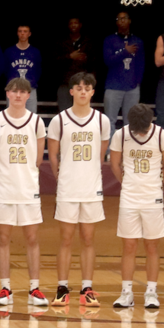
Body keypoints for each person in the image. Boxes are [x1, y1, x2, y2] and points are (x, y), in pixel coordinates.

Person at [47, 72, 110, 307]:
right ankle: (62, 288)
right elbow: (53, 155)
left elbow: (102, 152)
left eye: (87, 88)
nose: (83, 91)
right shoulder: (59, 120)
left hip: (91, 188)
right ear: (71, 91)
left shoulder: (101, 120)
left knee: (88, 238)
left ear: (93, 92)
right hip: (68, 188)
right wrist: (62, 178)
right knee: (65, 238)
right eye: (79, 88)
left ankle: (87, 288)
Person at [0, 78, 49, 307]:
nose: (19, 95)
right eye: (14, 91)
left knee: (32, 238)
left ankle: (34, 289)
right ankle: (5, 289)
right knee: (3, 238)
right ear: (7, 94)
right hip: (4, 189)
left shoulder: (36, 122)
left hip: (29, 188)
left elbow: (38, 159)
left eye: (23, 91)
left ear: (28, 95)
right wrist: (5, 175)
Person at [109, 103, 164, 309]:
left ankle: (151, 292)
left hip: (152, 198)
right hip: (129, 198)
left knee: (151, 246)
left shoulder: (162, 136)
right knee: (129, 245)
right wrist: (129, 183)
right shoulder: (120, 135)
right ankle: (126, 292)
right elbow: (114, 165)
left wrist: (153, 184)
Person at [103, 12, 144, 135]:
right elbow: (108, 61)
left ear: (129, 21)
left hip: (132, 87)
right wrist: (125, 51)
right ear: (116, 22)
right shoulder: (109, 40)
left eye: (124, 18)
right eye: (119, 19)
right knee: (109, 121)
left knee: (130, 122)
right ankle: (109, 153)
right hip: (113, 86)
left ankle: (127, 152)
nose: (122, 21)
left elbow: (141, 63)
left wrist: (137, 82)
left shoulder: (137, 41)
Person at [4, 25, 42, 113]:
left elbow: (38, 70)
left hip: (30, 89)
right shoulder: (9, 51)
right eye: (20, 31)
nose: (22, 34)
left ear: (29, 34)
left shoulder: (35, 52)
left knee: (31, 117)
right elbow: (5, 70)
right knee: (11, 116)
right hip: (13, 89)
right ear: (17, 33)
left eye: (25, 31)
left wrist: (32, 82)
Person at [56, 17, 91, 112]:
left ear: (80, 25)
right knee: (64, 115)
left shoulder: (87, 41)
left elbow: (94, 62)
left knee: (82, 114)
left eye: (76, 23)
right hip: (65, 83)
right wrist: (70, 56)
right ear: (68, 26)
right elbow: (54, 61)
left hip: (83, 83)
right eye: (71, 23)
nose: (73, 25)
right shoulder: (62, 42)